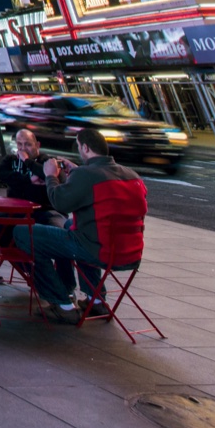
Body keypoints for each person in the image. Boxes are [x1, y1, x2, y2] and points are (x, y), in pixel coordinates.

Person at [28, 127, 140, 324]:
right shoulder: (132, 176)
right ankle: (95, 299)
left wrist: (50, 176)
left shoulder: (87, 175)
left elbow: (60, 202)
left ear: (85, 148)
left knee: (26, 234)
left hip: (98, 251)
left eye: (79, 146)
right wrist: (78, 172)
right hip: (130, 253)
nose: (79, 150)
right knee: (70, 223)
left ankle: (63, 303)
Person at [0, 128, 60, 226]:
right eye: (19, 144)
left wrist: (27, 161)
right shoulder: (10, 160)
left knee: (54, 224)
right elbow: (2, 175)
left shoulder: (46, 161)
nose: (23, 148)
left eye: (28, 144)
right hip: (16, 209)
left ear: (37, 145)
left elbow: (46, 174)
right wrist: (29, 179)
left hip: (43, 210)